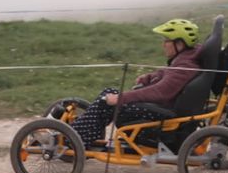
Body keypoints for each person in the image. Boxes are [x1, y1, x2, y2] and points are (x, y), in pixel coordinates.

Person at [70, 19, 202, 148]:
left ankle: (73, 139)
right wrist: (149, 77)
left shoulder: (185, 66)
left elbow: (160, 92)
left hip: (165, 113)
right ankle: (84, 135)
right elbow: (167, 74)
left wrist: (121, 98)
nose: (163, 44)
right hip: (164, 108)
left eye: (166, 41)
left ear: (179, 44)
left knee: (108, 101)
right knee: (108, 94)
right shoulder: (186, 58)